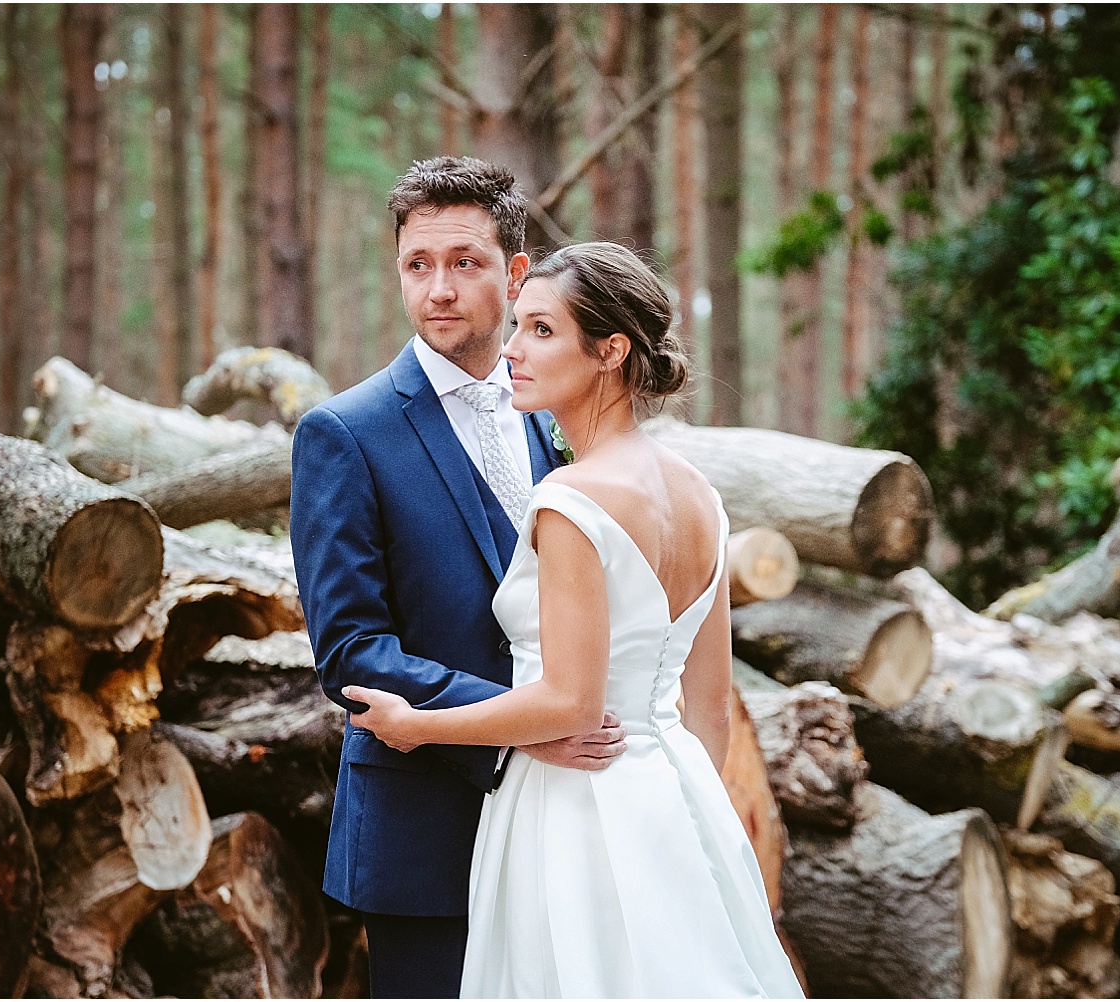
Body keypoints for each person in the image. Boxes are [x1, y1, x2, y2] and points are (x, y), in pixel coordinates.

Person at [345, 241, 806, 998]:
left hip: (573, 813)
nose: (513, 351)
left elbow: (570, 704)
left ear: (611, 351)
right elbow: (711, 707)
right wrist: (681, 822)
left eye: (541, 331)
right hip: (677, 804)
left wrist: (417, 725)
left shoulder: (571, 499)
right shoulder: (699, 494)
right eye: (519, 327)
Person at [290, 158, 628, 1000]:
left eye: (464, 263)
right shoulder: (344, 433)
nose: (438, 288)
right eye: (418, 265)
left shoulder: (551, 422)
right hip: (423, 837)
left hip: (564, 822)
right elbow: (352, 652)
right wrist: (519, 729)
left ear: (516, 274)